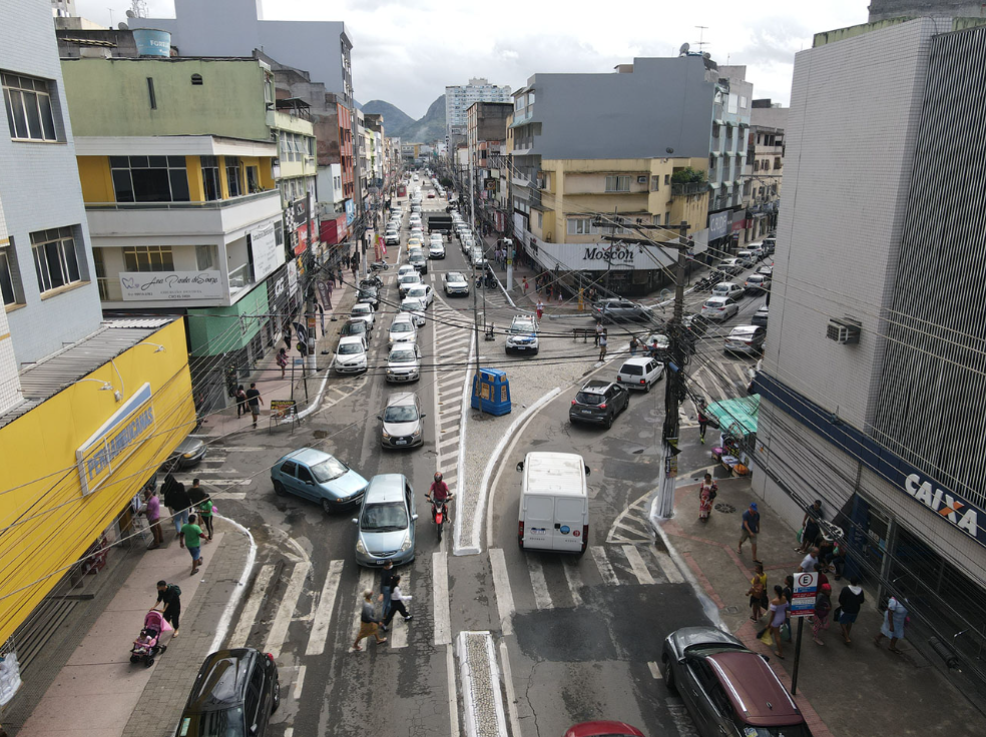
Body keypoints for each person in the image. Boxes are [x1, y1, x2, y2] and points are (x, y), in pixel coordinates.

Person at [162, 475, 190, 544]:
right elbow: (188, 501)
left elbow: (172, 502)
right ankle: (185, 531)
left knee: (177, 520)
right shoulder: (184, 494)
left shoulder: (173, 495)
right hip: (184, 508)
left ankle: (179, 532)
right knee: (185, 520)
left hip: (177, 509)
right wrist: (189, 507)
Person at [838, 577, 865, 645]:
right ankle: (847, 633)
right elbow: (862, 601)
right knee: (850, 622)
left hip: (846, 609)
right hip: (855, 610)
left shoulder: (846, 589)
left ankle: (846, 637)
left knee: (842, 622)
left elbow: (841, 599)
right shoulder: (860, 590)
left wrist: (842, 604)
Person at [768, 585, 789, 658]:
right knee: (774, 629)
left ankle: (780, 652)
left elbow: (772, 614)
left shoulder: (774, 601)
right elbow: (785, 609)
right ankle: (768, 635)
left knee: (777, 636)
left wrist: (769, 623)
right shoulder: (784, 598)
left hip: (776, 618)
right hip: (782, 616)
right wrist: (785, 618)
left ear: (775, 591)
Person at [378, 561, 397, 630]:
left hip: (389, 587)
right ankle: (385, 615)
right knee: (387, 603)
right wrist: (381, 593)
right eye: (390, 565)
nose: (391, 565)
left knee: (388, 602)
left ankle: (387, 614)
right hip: (386, 588)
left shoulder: (388, 570)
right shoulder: (384, 573)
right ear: (386, 566)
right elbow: (382, 583)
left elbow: (391, 576)